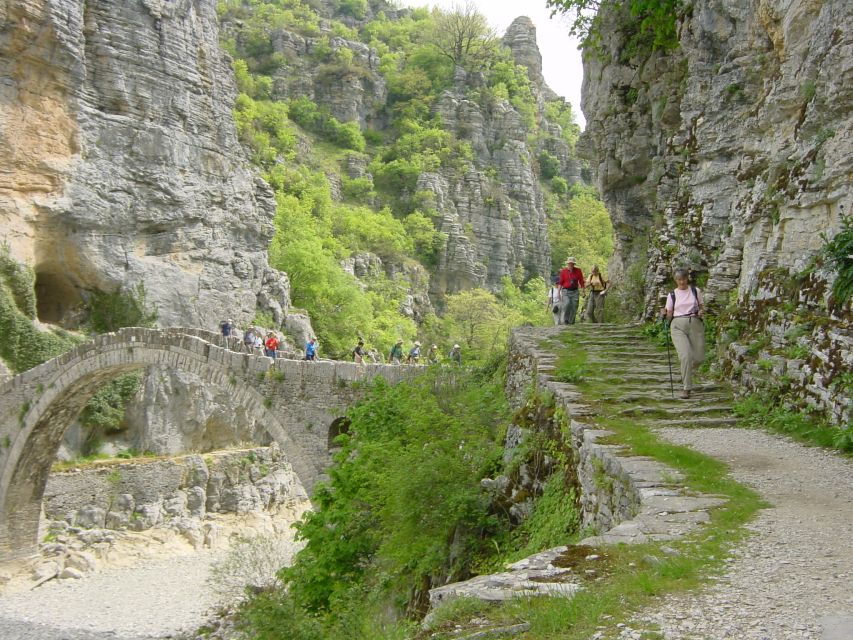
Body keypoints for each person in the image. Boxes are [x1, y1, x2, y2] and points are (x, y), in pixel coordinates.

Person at [662, 268, 705, 399]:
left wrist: (702, 311)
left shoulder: (695, 291)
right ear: (675, 280)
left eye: (683, 279)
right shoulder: (672, 295)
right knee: (685, 355)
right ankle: (687, 388)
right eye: (679, 280)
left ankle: (685, 370)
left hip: (695, 323)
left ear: (687, 279)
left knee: (699, 358)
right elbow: (669, 312)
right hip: (677, 325)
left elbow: (702, 306)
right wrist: (664, 315)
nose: (681, 282)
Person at [558, 257, 585, 325]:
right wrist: (558, 292)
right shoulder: (563, 271)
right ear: (567, 264)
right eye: (569, 263)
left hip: (575, 291)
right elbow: (560, 282)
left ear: (574, 264)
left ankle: (571, 322)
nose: (570, 265)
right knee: (567, 304)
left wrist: (583, 290)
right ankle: (565, 320)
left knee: (574, 306)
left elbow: (581, 281)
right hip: (566, 291)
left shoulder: (578, 270)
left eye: (572, 263)